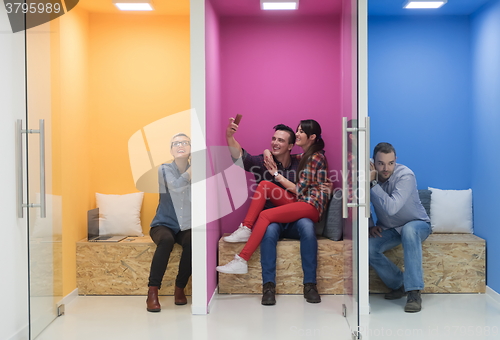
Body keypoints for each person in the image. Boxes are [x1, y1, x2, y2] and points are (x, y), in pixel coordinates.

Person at [216, 120, 329, 303]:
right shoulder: (265, 161)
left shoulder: (302, 160)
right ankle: (268, 287)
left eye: (281, 141)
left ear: (291, 146)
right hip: (276, 221)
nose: (275, 143)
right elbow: (241, 158)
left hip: (301, 213)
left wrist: (276, 174)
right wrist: (230, 137)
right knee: (267, 212)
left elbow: (302, 191)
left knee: (305, 226)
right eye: (273, 139)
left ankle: (310, 285)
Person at [369, 142, 431, 313]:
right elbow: (361, 201)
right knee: (366, 248)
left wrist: (372, 184)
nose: (386, 168)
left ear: (396, 160)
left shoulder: (406, 175)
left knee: (410, 231)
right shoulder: (367, 171)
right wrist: (369, 225)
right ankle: (399, 284)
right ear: (374, 162)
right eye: (380, 163)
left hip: (418, 224)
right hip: (390, 228)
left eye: (390, 163)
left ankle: (414, 292)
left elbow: (391, 208)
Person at [146, 133, 192, 312]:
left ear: (190, 149)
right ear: (171, 150)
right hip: (162, 224)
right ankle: (152, 292)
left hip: (184, 226)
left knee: (193, 241)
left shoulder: (197, 172)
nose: (181, 145)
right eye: (176, 143)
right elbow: (177, 186)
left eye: (185, 143)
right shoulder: (164, 169)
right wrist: (191, 171)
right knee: (166, 240)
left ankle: (180, 288)